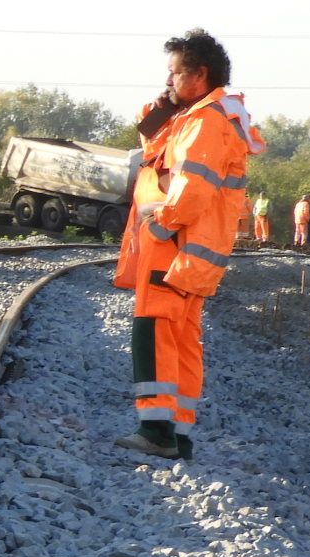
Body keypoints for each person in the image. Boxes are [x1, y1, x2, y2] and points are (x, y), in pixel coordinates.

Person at [112, 28, 264, 462]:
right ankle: (177, 433)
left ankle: (156, 432)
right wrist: (160, 110)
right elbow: (154, 151)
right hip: (188, 251)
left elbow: (192, 187)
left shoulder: (205, 121)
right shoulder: (198, 117)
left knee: (155, 330)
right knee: (181, 338)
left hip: (176, 246)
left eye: (174, 74)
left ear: (199, 75)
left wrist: (160, 222)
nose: (167, 82)